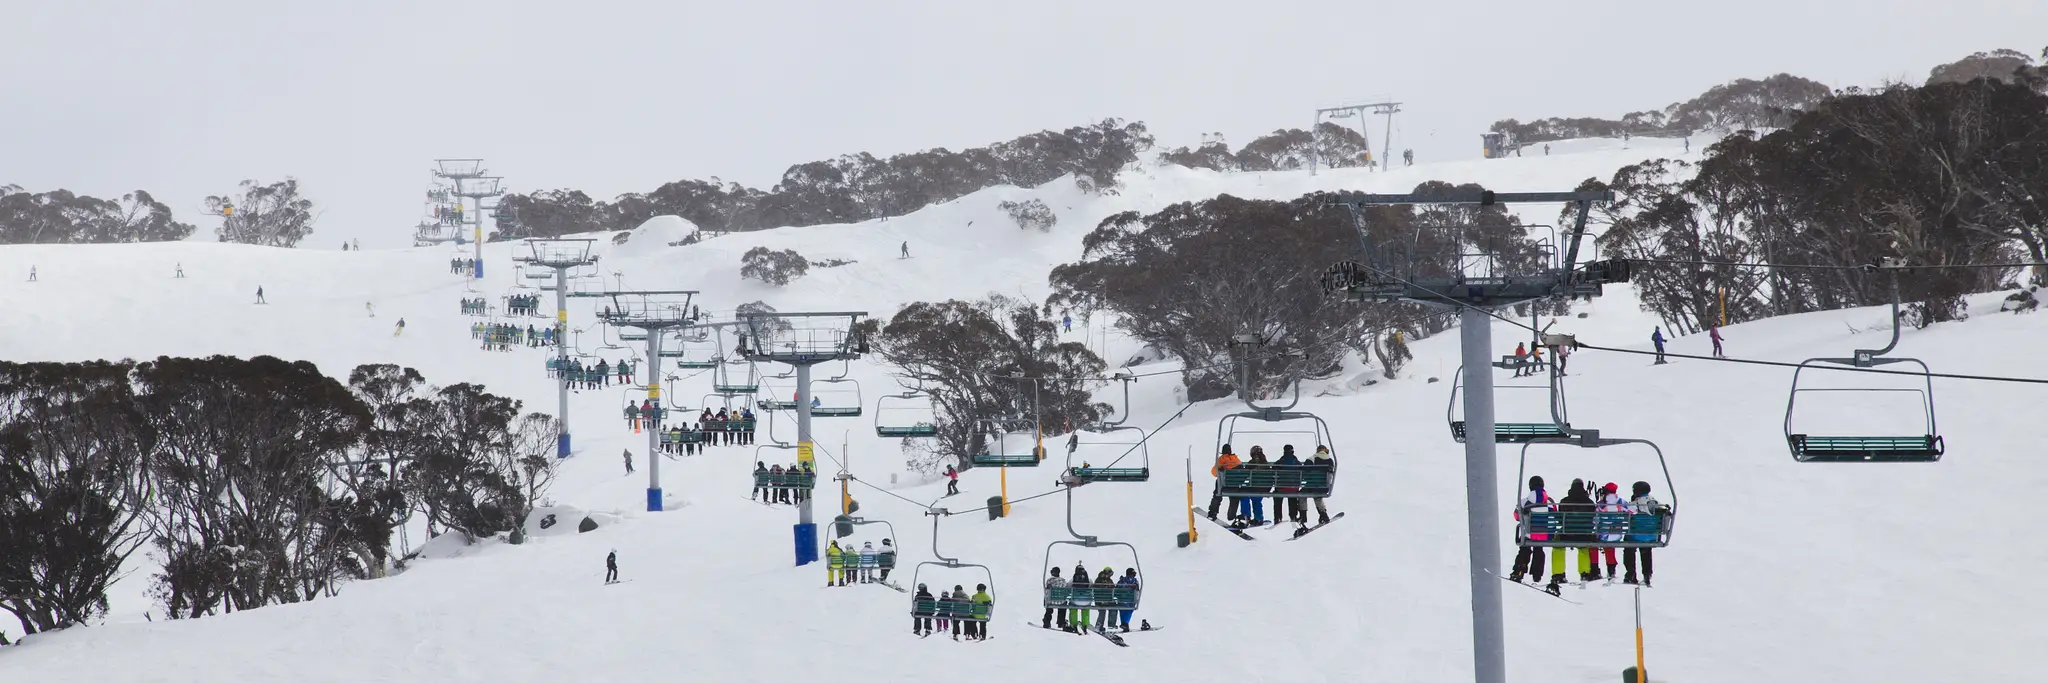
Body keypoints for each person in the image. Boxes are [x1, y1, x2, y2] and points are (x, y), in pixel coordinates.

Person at [1551, 479, 1596, 590]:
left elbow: (1560, 520)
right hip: (1583, 534)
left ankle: (1558, 574)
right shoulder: (1589, 503)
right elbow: (1593, 519)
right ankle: (1584, 573)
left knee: (1558, 547)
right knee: (1583, 548)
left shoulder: (1564, 501)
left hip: (1567, 533)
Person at [1508, 475, 1552, 583]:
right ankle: (1537, 575)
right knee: (1539, 549)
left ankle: (1519, 570)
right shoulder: (1550, 502)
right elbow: (1556, 516)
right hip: (1545, 535)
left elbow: (1516, 516)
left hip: (1529, 533)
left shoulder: (1525, 502)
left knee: (1525, 548)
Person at [1624, 481, 1665, 586]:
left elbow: (1626, 511)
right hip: (1651, 536)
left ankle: (1631, 574)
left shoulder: (1636, 504)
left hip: (1635, 536)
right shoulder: (1656, 503)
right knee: (1646, 549)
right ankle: (1647, 574)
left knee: (1629, 548)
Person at [1593, 482, 1625, 580]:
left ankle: (1594, 570)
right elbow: (1634, 510)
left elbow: (1595, 520)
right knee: (1610, 545)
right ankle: (1611, 570)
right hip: (1617, 535)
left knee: (1592, 543)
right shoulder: (1621, 502)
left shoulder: (1601, 504)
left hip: (1603, 535)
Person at [1206, 444, 1242, 521]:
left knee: (1217, 493)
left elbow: (1214, 472)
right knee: (1234, 498)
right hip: (1234, 486)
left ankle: (1213, 512)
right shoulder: (1236, 459)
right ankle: (1231, 516)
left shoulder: (1221, 460)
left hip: (1223, 486)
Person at [1240, 446, 1269, 525]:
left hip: (1254, 487)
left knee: (1244, 495)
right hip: (1263, 488)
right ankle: (1258, 518)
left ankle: (1246, 515)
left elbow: (1245, 475)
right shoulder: (1265, 463)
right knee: (1257, 499)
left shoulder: (1252, 462)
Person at [1306, 445, 1333, 525]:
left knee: (1302, 495)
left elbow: (1305, 469)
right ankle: (1323, 514)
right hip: (1325, 487)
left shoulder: (1312, 458)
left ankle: (1303, 517)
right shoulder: (1330, 460)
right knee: (1318, 496)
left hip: (1312, 486)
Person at [1276, 444, 1303, 524]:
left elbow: (1274, 467)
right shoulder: (1296, 461)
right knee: (1292, 497)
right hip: (1293, 488)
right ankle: (1293, 516)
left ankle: (1277, 517)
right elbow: (1301, 469)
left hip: (1281, 488)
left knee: (1277, 496)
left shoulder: (1281, 460)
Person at [1068, 563, 1092, 633]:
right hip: (1086, 601)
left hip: (1075, 600)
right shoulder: (1089, 579)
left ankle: (1073, 623)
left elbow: (1068, 589)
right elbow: (1092, 588)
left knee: (1073, 608)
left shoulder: (1072, 579)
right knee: (1085, 609)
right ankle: (1085, 624)